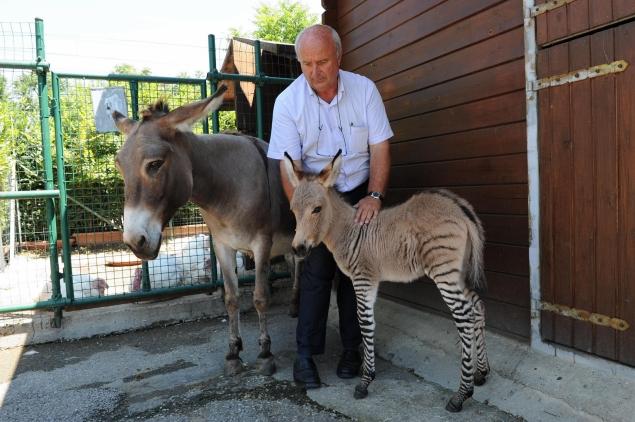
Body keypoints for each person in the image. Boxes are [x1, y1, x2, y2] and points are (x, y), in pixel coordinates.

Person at [267, 24, 393, 389]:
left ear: (338, 57)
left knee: (357, 272)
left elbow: (380, 147)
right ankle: (305, 356)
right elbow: (286, 165)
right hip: (313, 196)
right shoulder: (288, 102)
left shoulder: (364, 90)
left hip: (356, 191)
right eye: (306, 63)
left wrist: (375, 196)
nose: (313, 71)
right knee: (317, 272)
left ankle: (354, 350)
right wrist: (305, 213)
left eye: (321, 61)